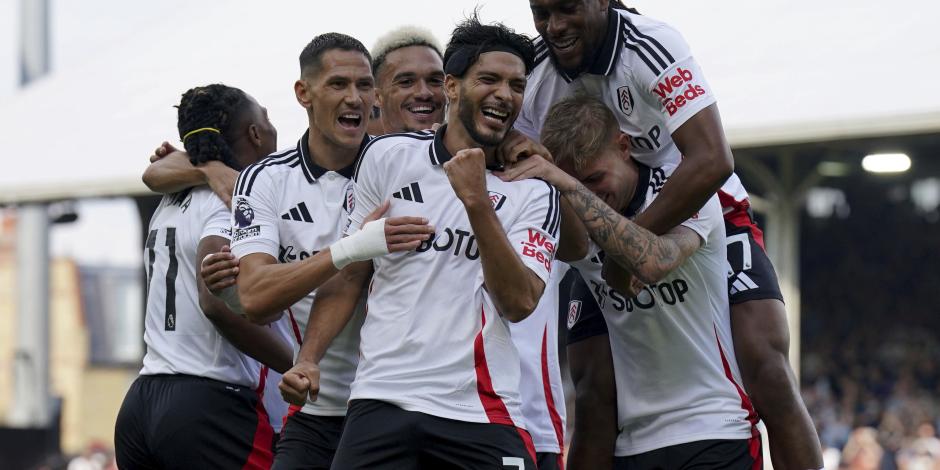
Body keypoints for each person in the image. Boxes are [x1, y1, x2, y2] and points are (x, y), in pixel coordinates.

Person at [515, 1, 822, 468]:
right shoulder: (530, 72)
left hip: (695, 207)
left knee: (766, 367)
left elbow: (712, 160)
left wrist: (625, 249)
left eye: (568, 9)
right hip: (597, 226)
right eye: (541, 13)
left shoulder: (651, 45)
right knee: (594, 393)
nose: (554, 27)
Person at [280, 15, 558, 469]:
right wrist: (309, 358)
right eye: (489, 79)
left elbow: (519, 302)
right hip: (381, 399)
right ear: (452, 87)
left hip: (482, 410)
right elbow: (351, 274)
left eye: (516, 85)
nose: (504, 95)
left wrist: (478, 203)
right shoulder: (387, 157)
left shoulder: (534, 189)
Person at [501, 93, 762, 469]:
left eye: (595, 178)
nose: (590, 192)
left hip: (715, 429)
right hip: (633, 445)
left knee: (771, 370)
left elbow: (652, 261)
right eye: (577, 182)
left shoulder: (681, 189)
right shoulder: (574, 215)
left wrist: (566, 183)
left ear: (624, 146)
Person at [115, 84, 292, 469]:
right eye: (267, 118)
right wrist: (298, 365)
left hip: (144, 399)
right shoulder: (231, 202)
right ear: (255, 134)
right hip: (208, 405)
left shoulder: (173, 195)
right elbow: (215, 300)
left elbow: (155, 172)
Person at [369, 26, 445, 134]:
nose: (424, 93)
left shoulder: (473, 148)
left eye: (435, 81)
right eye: (406, 82)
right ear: (376, 96)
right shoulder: (365, 150)